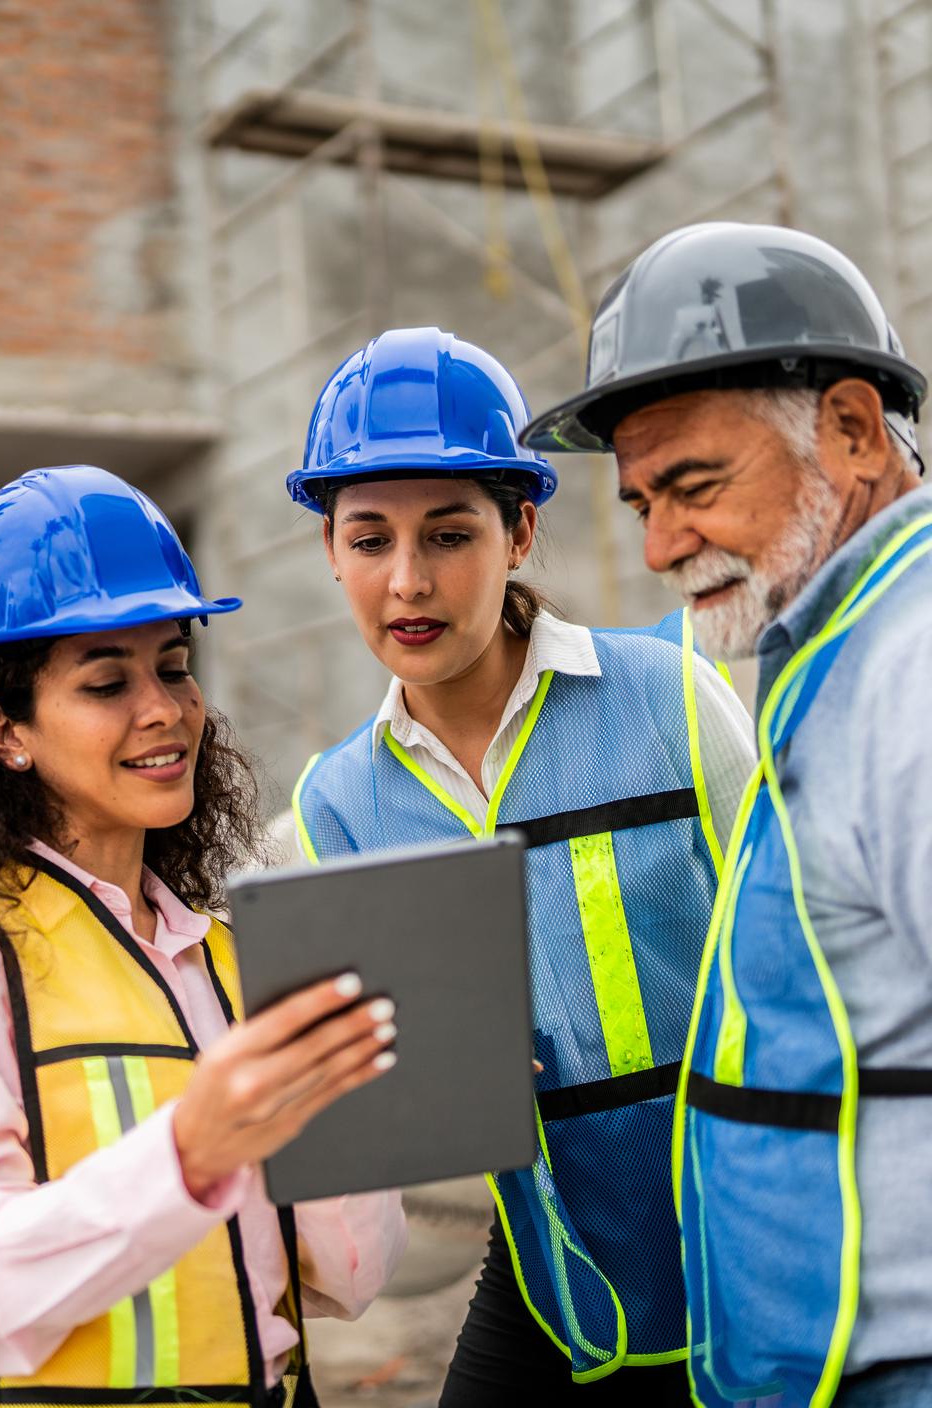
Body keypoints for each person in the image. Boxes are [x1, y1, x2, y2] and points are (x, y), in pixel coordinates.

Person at [0, 464, 406, 1408]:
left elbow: (346, 1281)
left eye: (175, 667)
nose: (165, 709)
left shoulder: (226, 955)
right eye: (108, 682)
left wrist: (373, 1109)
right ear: (4, 732)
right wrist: (189, 1153)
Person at [283, 327, 755, 1406]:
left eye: (449, 534)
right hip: (548, 1284)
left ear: (520, 530)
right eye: (368, 539)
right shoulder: (334, 809)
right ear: (330, 552)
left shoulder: (669, 697)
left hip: (739, 1269)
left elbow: (796, 960)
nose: (407, 581)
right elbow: (374, 1091)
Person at [522, 221, 932, 1408]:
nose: (658, 544)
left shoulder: (910, 668)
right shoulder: (839, 647)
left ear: (852, 429)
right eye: (641, 501)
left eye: (693, 486)